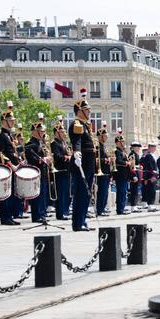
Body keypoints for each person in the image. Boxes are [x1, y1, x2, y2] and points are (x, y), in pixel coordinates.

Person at [68, 89, 96, 231]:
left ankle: (83, 219)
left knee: (86, 193)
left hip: (89, 163)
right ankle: (77, 223)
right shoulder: (77, 124)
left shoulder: (86, 125)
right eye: (86, 109)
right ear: (79, 111)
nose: (89, 111)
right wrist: (77, 153)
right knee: (80, 192)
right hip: (82, 162)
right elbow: (77, 141)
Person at [0, 101, 21, 225]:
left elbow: (12, 151)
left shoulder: (10, 135)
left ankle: (9, 215)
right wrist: (11, 165)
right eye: (11, 120)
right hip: (7, 168)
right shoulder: (0, 135)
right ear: (5, 121)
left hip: (13, 167)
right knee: (6, 194)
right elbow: (1, 153)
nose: (13, 122)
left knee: (11, 193)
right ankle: (5, 217)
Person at [24, 115, 50, 223]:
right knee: (37, 195)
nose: (43, 133)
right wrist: (44, 159)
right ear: (35, 131)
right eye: (41, 131)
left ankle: (42, 213)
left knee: (43, 194)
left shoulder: (40, 143)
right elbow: (32, 158)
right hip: (35, 172)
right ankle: (37, 215)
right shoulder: (30, 144)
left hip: (43, 172)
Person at [51, 121, 72, 220]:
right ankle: (60, 213)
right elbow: (57, 156)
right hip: (60, 170)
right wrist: (67, 157)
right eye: (62, 132)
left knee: (66, 192)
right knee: (60, 193)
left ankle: (65, 210)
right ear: (57, 133)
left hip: (67, 170)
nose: (64, 134)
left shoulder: (65, 143)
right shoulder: (54, 143)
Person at [95, 124, 111, 216]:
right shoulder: (97, 147)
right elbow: (96, 159)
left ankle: (103, 207)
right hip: (101, 171)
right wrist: (105, 160)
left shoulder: (103, 146)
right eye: (105, 136)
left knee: (105, 191)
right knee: (102, 191)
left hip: (106, 171)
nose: (106, 138)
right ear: (100, 136)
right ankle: (100, 209)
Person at [113, 133, 130, 215]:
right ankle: (119, 209)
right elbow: (118, 161)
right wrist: (127, 162)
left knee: (124, 192)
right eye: (121, 142)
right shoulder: (117, 152)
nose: (123, 143)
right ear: (118, 143)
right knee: (121, 192)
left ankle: (122, 207)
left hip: (124, 175)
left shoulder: (122, 151)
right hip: (120, 175)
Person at [140, 141, 158, 211]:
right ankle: (150, 205)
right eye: (153, 147)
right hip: (150, 176)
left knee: (152, 190)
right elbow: (150, 167)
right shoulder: (148, 155)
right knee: (151, 190)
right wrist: (152, 175)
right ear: (150, 147)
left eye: (155, 147)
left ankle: (151, 204)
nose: (154, 148)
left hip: (153, 175)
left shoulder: (151, 155)